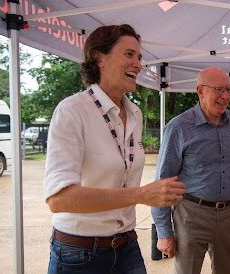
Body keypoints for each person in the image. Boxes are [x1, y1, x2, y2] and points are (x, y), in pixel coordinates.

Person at [43, 24, 186, 274]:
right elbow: (58, 199)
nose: (138, 64)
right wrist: (140, 195)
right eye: (129, 54)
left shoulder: (135, 113)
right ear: (100, 58)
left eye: (139, 57)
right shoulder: (72, 110)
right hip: (79, 254)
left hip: (126, 245)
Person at [151, 67, 230, 274]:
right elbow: (162, 182)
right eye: (219, 90)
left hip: (229, 215)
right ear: (200, 91)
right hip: (191, 215)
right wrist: (164, 232)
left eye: (229, 90)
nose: (226, 96)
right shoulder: (179, 127)